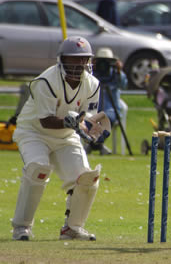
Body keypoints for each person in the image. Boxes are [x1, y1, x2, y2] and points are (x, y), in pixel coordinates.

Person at [11, 36, 108, 241]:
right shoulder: (45, 81)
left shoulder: (93, 84)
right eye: (74, 59)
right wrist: (69, 122)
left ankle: (72, 228)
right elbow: (46, 121)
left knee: (88, 179)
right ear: (62, 60)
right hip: (34, 132)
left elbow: (86, 118)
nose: (79, 64)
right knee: (38, 169)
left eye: (84, 59)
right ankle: (21, 227)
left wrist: (91, 130)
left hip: (66, 137)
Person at [91, 47, 128, 155]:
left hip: (111, 110)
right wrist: (90, 68)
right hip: (94, 109)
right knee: (90, 119)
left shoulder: (115, 74)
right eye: (101, 61)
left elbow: (123, 84)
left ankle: (93, 145)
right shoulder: (93, 74)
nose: (103, 65)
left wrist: (119, 70)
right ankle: (96, 144)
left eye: (106, 62)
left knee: (106, 118)